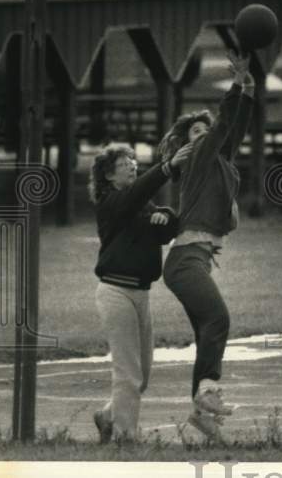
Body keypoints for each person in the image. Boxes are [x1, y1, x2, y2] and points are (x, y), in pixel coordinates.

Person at [158, 50, 254, 439]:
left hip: (192, 260)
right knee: (218, 320)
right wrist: (234, 87)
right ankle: (208, 392)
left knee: (207, 332)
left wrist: (247, 86)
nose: (204, 135)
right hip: (184, 261)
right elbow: (222, 129)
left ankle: (202, 413)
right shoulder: (198, 160)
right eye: (196, 132)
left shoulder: (221, 164)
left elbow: (234, 129)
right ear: (188, 144)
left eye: (205, 131)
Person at [88, 141, 193, 443]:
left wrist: (165, 216)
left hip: (141, 294)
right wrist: (166, 168)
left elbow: (166, 229)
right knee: (128, 373)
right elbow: (135, 199)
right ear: (109, 176)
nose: (133, 166)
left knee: (142, 375)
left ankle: (107, 416)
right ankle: (125, 438)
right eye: (125, 164)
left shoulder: (140, 204)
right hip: (115, 292)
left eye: (134, 162)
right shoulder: (111, 204)